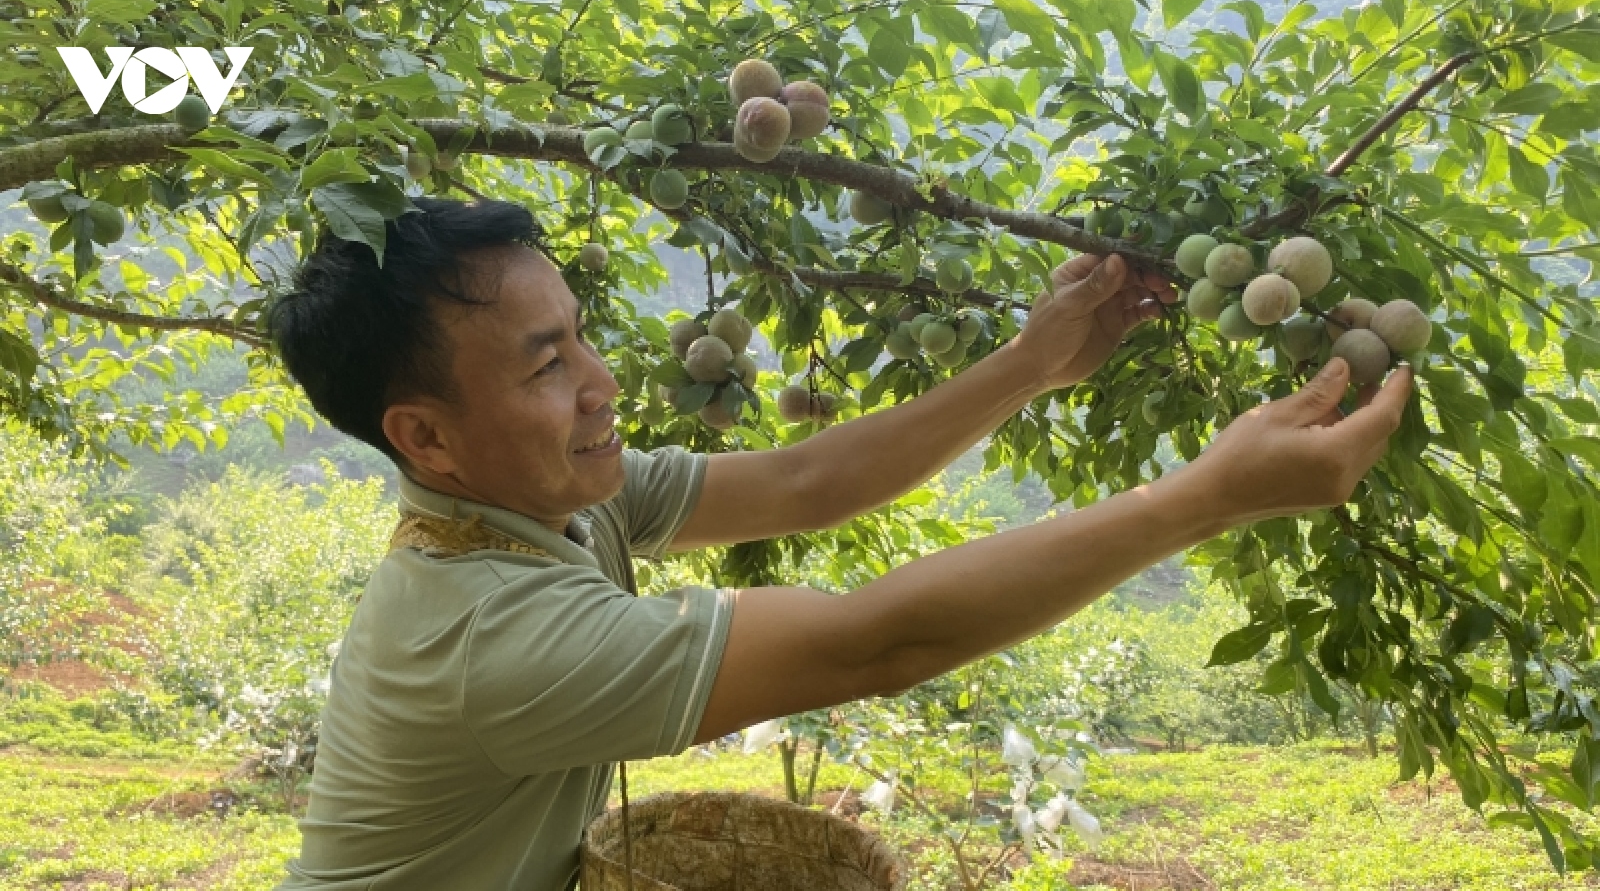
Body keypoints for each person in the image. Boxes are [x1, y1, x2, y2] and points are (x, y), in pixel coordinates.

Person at [267, 197, 1411, 890]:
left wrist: (1034, 361)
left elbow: (808, 480)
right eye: (544, 364)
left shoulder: (548, 502)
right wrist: (1204, 497)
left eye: (581, 338)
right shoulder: (489, 635)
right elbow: (875, 644)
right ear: (424, 434)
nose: (601, 385)